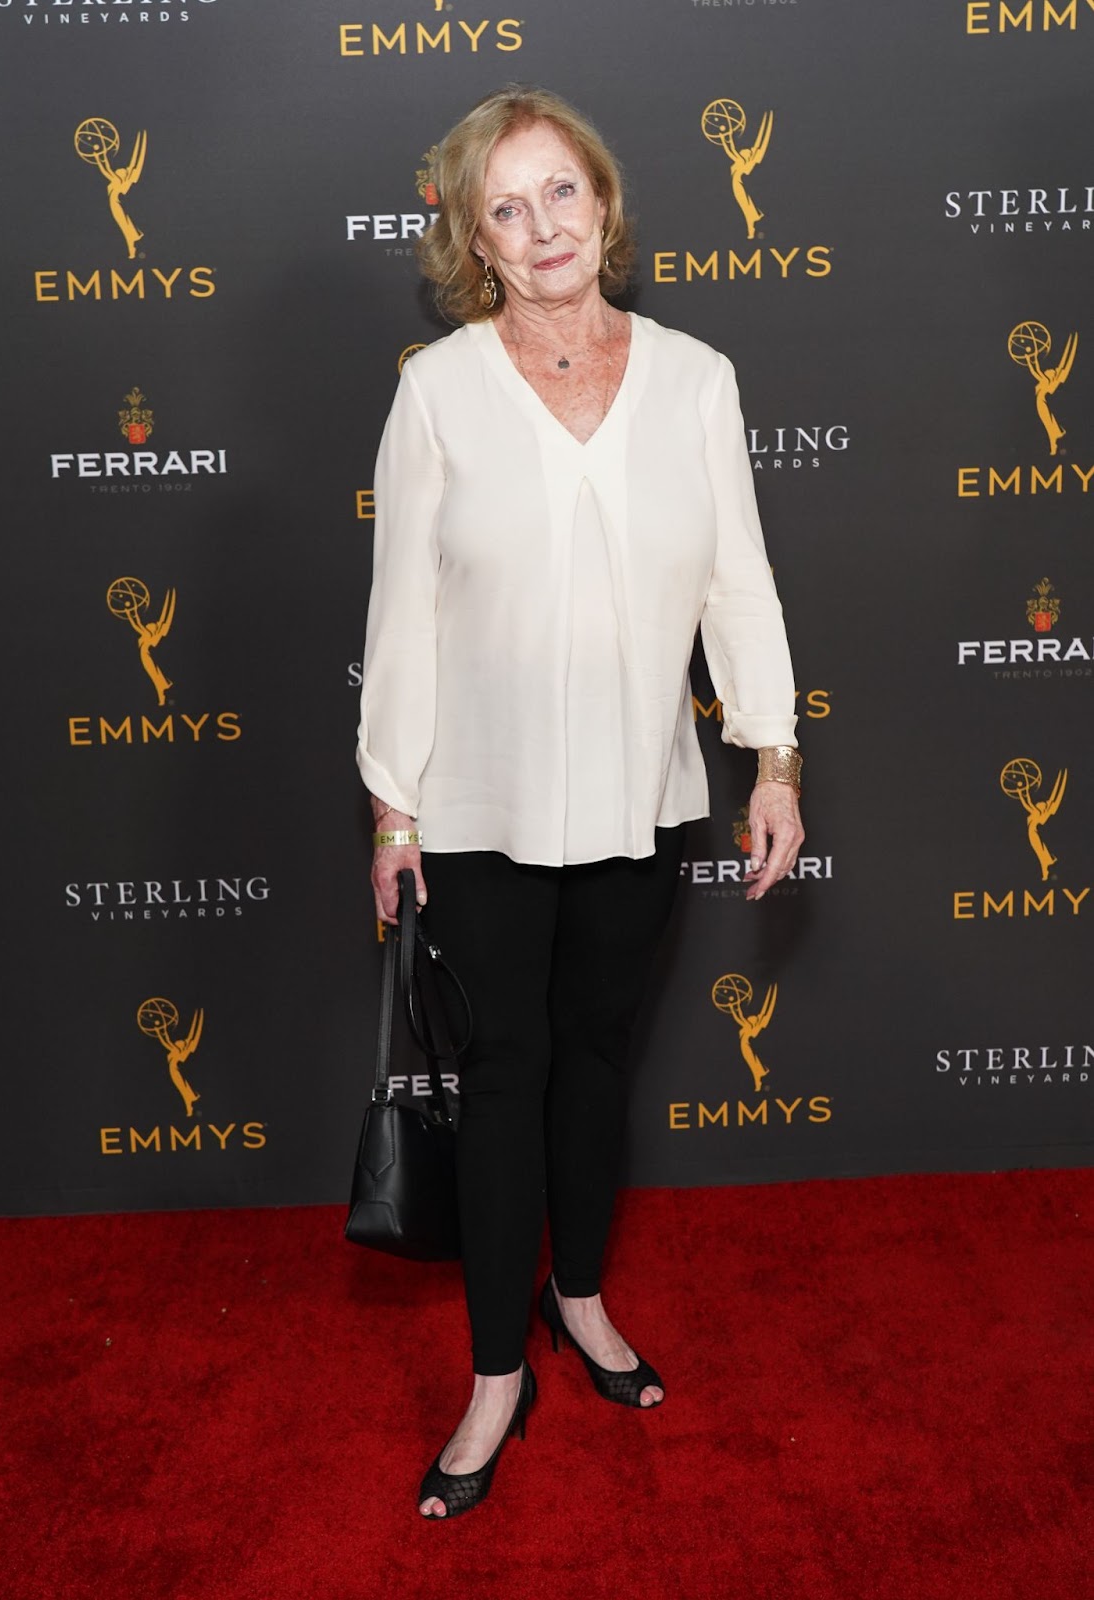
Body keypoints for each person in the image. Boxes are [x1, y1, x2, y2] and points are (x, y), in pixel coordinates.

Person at [356, 85, 804, 1519]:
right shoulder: (437, 391)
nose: (541, 226)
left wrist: (774, 758)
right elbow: (406, 614)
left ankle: (583, 1299)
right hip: (479, 805)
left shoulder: (695, 377)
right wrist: (393, 807)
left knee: (600, 1058)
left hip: (643, 791)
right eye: (508, 206)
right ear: (476, 243)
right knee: (505, 1081)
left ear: (602, 204)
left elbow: (738, 581)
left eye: (562, 193)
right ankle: (497, 1377)